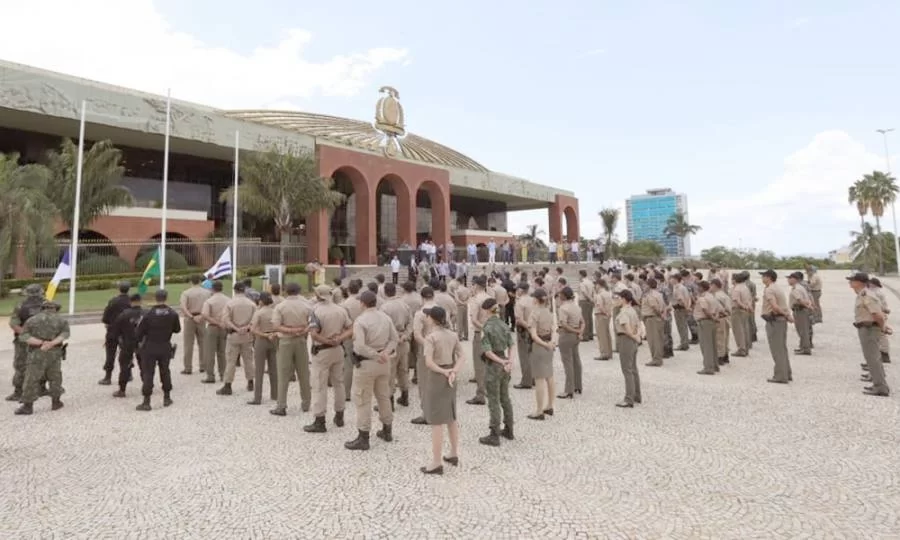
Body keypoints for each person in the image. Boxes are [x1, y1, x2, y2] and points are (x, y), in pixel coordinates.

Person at [345, 291, 398, 451]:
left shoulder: (360, 321)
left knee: (363, 399)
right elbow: (394, 339)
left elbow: (359, 346)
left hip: (367, 363)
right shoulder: (385, 317)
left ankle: (363, 437)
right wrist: (385, 353)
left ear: (362, 303)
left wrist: (375, 355)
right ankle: (387, 430)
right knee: (383, 396)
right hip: (383, 363)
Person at [420, 306, 465, 474]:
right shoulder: (452, 335)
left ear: (432, 319)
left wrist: (444, 371)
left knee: (436, 421)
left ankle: (436, 462)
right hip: (451, 375)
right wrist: (454, 371)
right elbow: (462, 356)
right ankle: (453, 453)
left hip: (437, 377)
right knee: (451, 416)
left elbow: (429, 363)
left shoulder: (431, 338)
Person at [304, 285, 353, 432]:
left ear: (318, 295)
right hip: (338, 350)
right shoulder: (341, 309)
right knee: (339, 383)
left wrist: (327, 340)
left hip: (322, 351)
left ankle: (320, 420)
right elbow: (351, 328)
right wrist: (339, 339)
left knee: (319, 386)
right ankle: (340, 415)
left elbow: (313, 333)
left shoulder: (316, 311)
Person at [14, 301, 68, 415]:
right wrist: (51, 343)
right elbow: (65, 334)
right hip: (55, 352)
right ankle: (56, 402)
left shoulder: (32, 320)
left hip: (37, 352)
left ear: (42, 308)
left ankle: (28, 406)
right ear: (55, 309)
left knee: (31, 378)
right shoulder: (61, 320)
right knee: (55, 376)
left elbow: (23, 336)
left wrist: (42, 343)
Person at [134, 289, 181, 411]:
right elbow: (177, 329)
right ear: (166, 298)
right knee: (165, 371)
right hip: (165, 345)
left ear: (155, 298)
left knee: (148, 373)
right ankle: (167, 397)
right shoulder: (172, 313)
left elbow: (139, 333)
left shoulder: (148, 315)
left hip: (150, 346)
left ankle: (146, 401)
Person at [270, 282, 313, 416]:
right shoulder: (306, 306)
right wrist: (301, 331)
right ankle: (306, 403)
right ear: (299, 291)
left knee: (283, 374)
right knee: (304, 373)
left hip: (285, 341)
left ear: (285, 291)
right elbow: (312, 323)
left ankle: (281, 405)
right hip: (301, 340)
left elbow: (276, 326)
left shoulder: (280, 307)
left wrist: (289, 330)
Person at [478, 298, 515, 446]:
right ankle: (509, 428)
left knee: (493, 400)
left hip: (494, 365)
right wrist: (509, 362)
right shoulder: (504, 325)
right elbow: (512, 345)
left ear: (486, 310)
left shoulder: (487, 327)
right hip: (504, 362)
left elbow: (487, 352)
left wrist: (500, 362)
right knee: (505, 398)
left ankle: (494, 434)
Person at [848, 273, 891, 397]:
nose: (850, 282)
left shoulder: (867, 295)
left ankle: (880, 387)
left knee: (873, 358)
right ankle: (879, 384)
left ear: (859, 282)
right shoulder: (862, 294)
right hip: (867, 328)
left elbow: (877, 314)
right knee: (873, 358)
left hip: (869, 329)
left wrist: (883, 327)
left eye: (852, 280)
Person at [7, 283, 46, 402]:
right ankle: (41, 388)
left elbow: (14, 324)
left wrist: (25, 334)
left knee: (21, 366)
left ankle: (18, 392)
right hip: (43, 340)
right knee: (42, 364)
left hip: (23, 341)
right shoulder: (48, 304)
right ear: (41, 292)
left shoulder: (20, 305)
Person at [217, 282, 257, 396]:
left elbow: (225, 319)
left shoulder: (230, 303)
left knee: (231, 361)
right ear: (244, 290)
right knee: (248, 360)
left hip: (234, 335)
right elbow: (255, 320)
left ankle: (228, 385)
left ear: (234, 290)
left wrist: (236, 328)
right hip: (247, 335)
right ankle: (250, 382)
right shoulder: (252, 304)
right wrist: (246, 327)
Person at [380, 283, 413, 408]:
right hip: (404, 341)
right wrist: (405, 335)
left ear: (385, 292)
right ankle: (405, 396)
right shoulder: (405, 305)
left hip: (391, 343)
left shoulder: (384, 307)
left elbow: (383, 328)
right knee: (403, 370)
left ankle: (390, 401)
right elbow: (411, 322)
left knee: (390, 372)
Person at [526, 289, 556, 419]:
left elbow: (533, 335)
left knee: (539, 379)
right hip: (549, 343)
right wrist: (552, 343)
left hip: (539, 346)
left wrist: (544, 344)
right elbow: (554, 329)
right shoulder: (549, 312)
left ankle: (539, 410)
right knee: (549, 376)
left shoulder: (534, 313)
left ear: (536, 300)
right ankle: (550, 405)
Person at [759, 269, 793, 384]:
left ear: (768, 277)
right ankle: (786, 373)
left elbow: (774, 306)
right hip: (780, 321)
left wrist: (786, 315)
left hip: (775, 321)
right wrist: (787, 315)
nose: (762, 278)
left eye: (763, 276)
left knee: (777, 350)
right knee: (782, 348)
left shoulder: (769, 290)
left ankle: (780, 376)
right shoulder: (777, 287)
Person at [109, 294, 144, 398]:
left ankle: (122, 389)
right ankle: (147, 385)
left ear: (130, 302)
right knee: (144, 365)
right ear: (140, 301)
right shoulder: (146, 314)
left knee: (124, 366)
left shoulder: (124, 315)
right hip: (142, 342)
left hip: (127, 342)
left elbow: (115, 330)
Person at [466, 276, 493, 405]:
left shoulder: (476, 300)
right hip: (491, 333)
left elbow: (474, 320)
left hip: (480, 333)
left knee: (479, 365)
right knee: (489, 363)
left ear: (476, 285)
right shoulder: (490, 298)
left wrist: (484, 328)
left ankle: (480, 394)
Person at [100, 282, 132, 386]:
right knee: (127, 353)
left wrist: (108, 324)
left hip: (113, 331)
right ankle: (128, 373)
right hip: (127, 332)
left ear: (119, 289)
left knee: (110, 354)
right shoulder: (131, 301)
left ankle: (108, 377)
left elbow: (106, 317)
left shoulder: (113, 301)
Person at [248, 292, 278, 405]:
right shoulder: (275, 311)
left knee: (259, 370)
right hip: (274, 339)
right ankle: (275, 394)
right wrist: (273, 334)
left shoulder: (259, 313)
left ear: (261, 301)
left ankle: (257, 397)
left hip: (261, 340)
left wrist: (265, 335)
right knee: (274, 369)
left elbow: (253, 329)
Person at [613, 290, 642, 408]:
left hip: (626, 340)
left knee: (627, 370)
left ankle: (629, 398)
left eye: (619, 298)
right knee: (633, 369)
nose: (617, 300)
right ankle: (636, 395)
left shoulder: (624, 312)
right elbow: (639, 325)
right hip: (633, 341)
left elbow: (627, 329)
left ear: (624, 299)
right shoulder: (633, 311)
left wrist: (634, 336)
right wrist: (637, 336)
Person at [178, 274, 211, 375]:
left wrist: (191, 317)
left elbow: (183, 306)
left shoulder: (186, 293)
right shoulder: (207, 293)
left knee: (188, 344)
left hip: (189, 318)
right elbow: (209, 306)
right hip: (202, 318)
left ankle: (188, 367)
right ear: (200, 282)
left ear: (190, 282)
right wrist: (201, 316)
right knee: (203, 343)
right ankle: (203, 366)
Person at [556, 286, 584, 398]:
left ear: (563, 295)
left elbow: (564, 324)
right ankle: (578, 385)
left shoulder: (563, 308)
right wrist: (579, 332)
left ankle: (569, 389)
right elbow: (583, 322)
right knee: (576, 360)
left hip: (566, 335)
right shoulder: (576, 307)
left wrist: (575, 330)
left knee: (567, 362)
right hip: (575, 336)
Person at [200, 281, 229, 383]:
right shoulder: (228, 300)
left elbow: (205, 314)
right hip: (224, 327)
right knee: (222, 352)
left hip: (212, 327)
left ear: (212, 289)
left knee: (210, 352)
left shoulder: (209, 301)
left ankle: (210, 375)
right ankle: (223, 374)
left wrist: (216, 322)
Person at [513, 283, 535, 389]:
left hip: (524, 331)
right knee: (532, 355)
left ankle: (526, 381)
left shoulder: (520, 302)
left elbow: (519, 320)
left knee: (524, 356)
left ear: (521, 290)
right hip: (534, 329)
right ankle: (533, 377)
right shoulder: (533, 300)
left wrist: (528, 328)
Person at [640, 278, 666, 367]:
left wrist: (660, 315)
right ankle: (658, 358)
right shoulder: (659, 294)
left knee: (653, 340)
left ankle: (656, 359)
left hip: (652, 319)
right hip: (656, 319)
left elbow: (655, 308)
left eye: (645, 284)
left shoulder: (650, 295)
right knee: (658, 339)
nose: (644, 286)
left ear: (649, 285)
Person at [788, 272, 814, 356]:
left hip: (800, 311)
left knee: (802, 331)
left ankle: (805, 349)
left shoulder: (796, 289)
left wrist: (808, 306)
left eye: (790, 278)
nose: (788, 280)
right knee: (803, 330)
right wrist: (809, 306)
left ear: (795, 279)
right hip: (802, 310)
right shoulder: (801, 287)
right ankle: (803, 347)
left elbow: (800, 300)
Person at [730, 272, 753, 357]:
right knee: (745, 330)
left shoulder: (736, 289)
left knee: (738, 331)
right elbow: (750, 299)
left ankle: (741, 349)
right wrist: (749, 307)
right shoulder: (745, 288)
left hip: (738, 311)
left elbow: (736, 301)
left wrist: (744, 307)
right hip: (745, 311)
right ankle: (746, 348)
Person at [710, 278, 732, 365]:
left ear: (714, 286)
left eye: (711, 285)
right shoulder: (725, 295)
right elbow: (729, 309)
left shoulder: (716, 296)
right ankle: (726, 355)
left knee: (719, 339)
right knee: (726, 338)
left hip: (719, 318)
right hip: (726, 319)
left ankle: (720, 357)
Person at [593, 278, 614, 361]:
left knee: (601, 335)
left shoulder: (600, 294)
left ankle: (604, 353)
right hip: (607, 315)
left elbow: (600, 306)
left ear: (599, 285)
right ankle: (609, 352)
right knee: (607, 334)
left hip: (601, 315)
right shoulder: (607, 293)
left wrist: (605, 312)